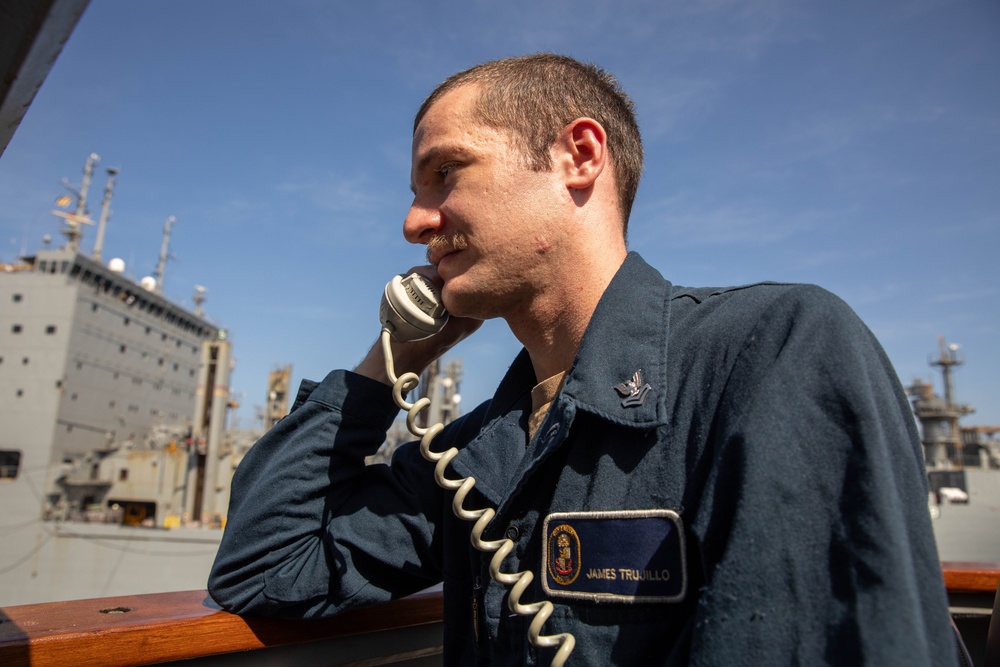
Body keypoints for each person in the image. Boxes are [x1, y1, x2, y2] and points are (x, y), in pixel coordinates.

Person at [209, 54, 957, 666]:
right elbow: (265, 565)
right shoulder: (479, 448)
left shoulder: (775, 354)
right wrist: (385, 364)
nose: (413, 223)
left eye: (445, 174)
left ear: (579, 155)